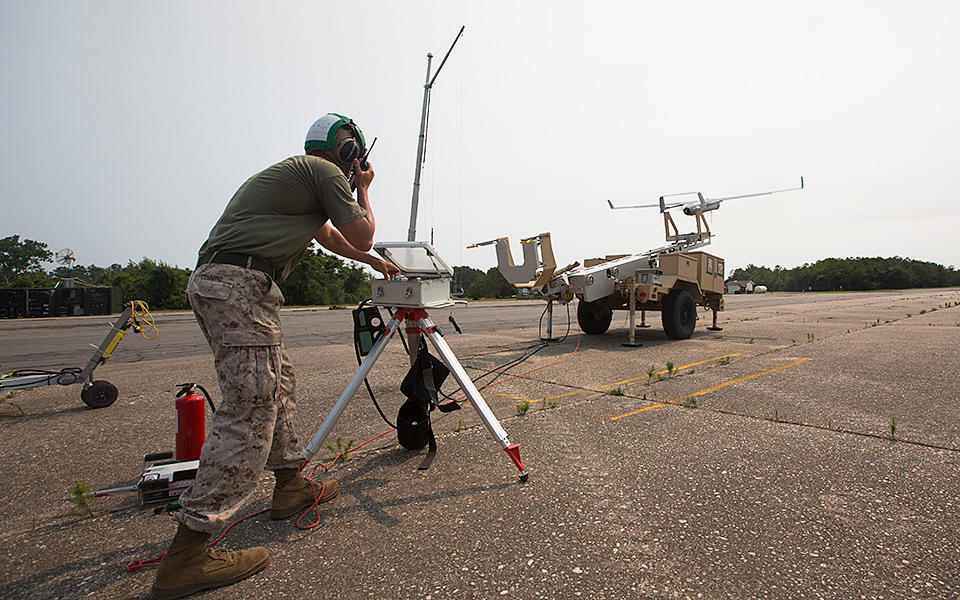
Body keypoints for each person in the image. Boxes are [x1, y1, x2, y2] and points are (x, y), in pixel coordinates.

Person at [151, 113, 398, 600]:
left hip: (234, 283)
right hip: (239, 285)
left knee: (276, 385)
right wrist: (366, 189)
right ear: (350, 153)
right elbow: (362, 231)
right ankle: (188, 554)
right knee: (250, 408)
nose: (356, 168)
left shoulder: (301, 178)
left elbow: (333, 237)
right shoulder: (325, 172)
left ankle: (290, 487)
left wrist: (371, 262)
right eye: (356, 159)